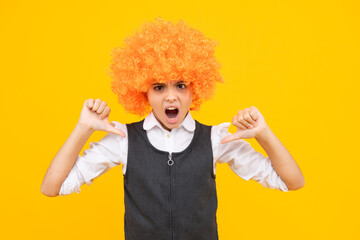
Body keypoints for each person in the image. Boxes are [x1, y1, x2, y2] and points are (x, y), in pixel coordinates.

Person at [41, 17, 304, 240]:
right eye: (158, 87)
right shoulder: (123, 140)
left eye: (180, 85)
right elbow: (52, 186)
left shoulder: (217, 139)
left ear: (195, 88)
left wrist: (263, 134)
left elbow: (292, 181)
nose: (170, 97)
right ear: (143, 91)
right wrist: (83, 128)